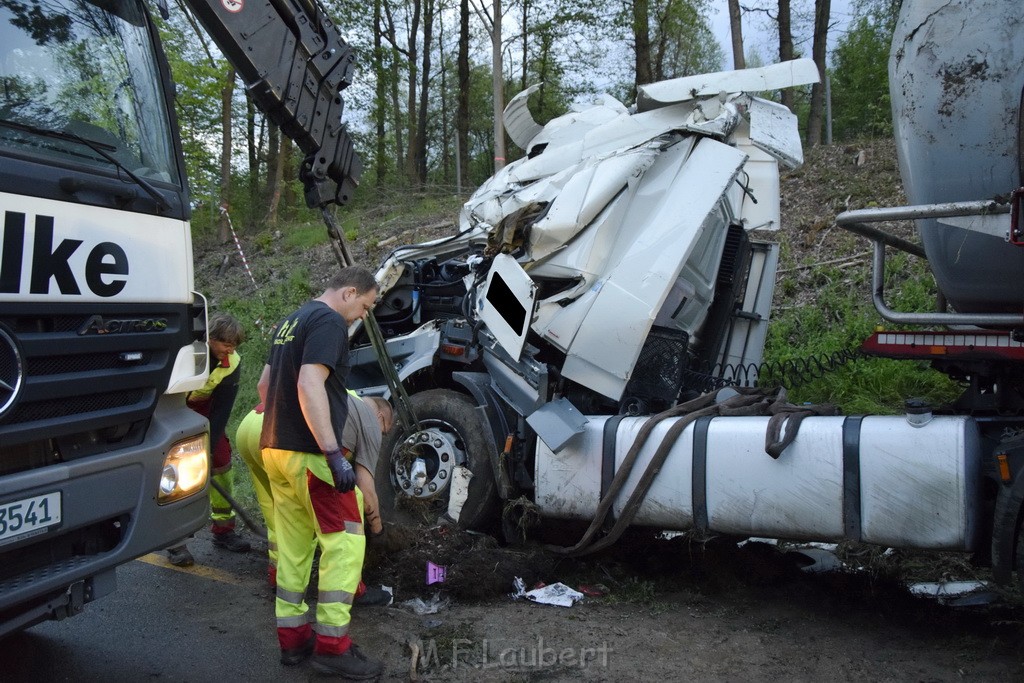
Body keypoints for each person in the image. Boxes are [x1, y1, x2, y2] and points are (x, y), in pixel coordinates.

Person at [258, 266, 385, 678]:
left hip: (276, 449)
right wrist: (333, 451)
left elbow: (264, 385)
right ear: (349, 292)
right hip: (312, 456)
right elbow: (310, 383)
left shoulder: (290, 320)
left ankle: (293, 642)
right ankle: (333, 646)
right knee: (345, 544)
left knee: (294, 549)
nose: (361, 316)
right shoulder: (329, 321)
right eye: (364, 306)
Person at [236, 393, 395, 599]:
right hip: (291, 444)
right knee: (327, 521)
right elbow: (366, 489)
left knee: (278, 514)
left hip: (256, 426)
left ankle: (278, 576)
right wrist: (378, 530)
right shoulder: (370, 421)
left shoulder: (346, 394)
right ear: (381, 416)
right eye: (384, 432)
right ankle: (353, 589)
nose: (380, 437)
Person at [168, 313, 251, 567]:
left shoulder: (232, 362)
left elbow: (222, 410)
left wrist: (210, 449)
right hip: (173, 410)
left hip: (206, 412)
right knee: (175, 474)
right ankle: (175, 542)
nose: (230, 351)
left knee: (222, 463)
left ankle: (224, 530)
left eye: (234, 346)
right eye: (226, 344)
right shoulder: (186, 353)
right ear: (210, 339)